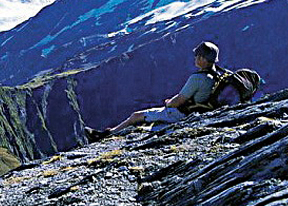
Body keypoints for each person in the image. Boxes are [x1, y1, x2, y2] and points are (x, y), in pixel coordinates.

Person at [84, 41, 221, 142]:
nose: (195, 58)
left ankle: (107, 135)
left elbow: (179, 101)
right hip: (198, 111)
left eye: (197, 56)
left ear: (203, 59)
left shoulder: (197, 78)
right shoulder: (216, 75)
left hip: (181, 114)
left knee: (135, 116)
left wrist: (168, 103)